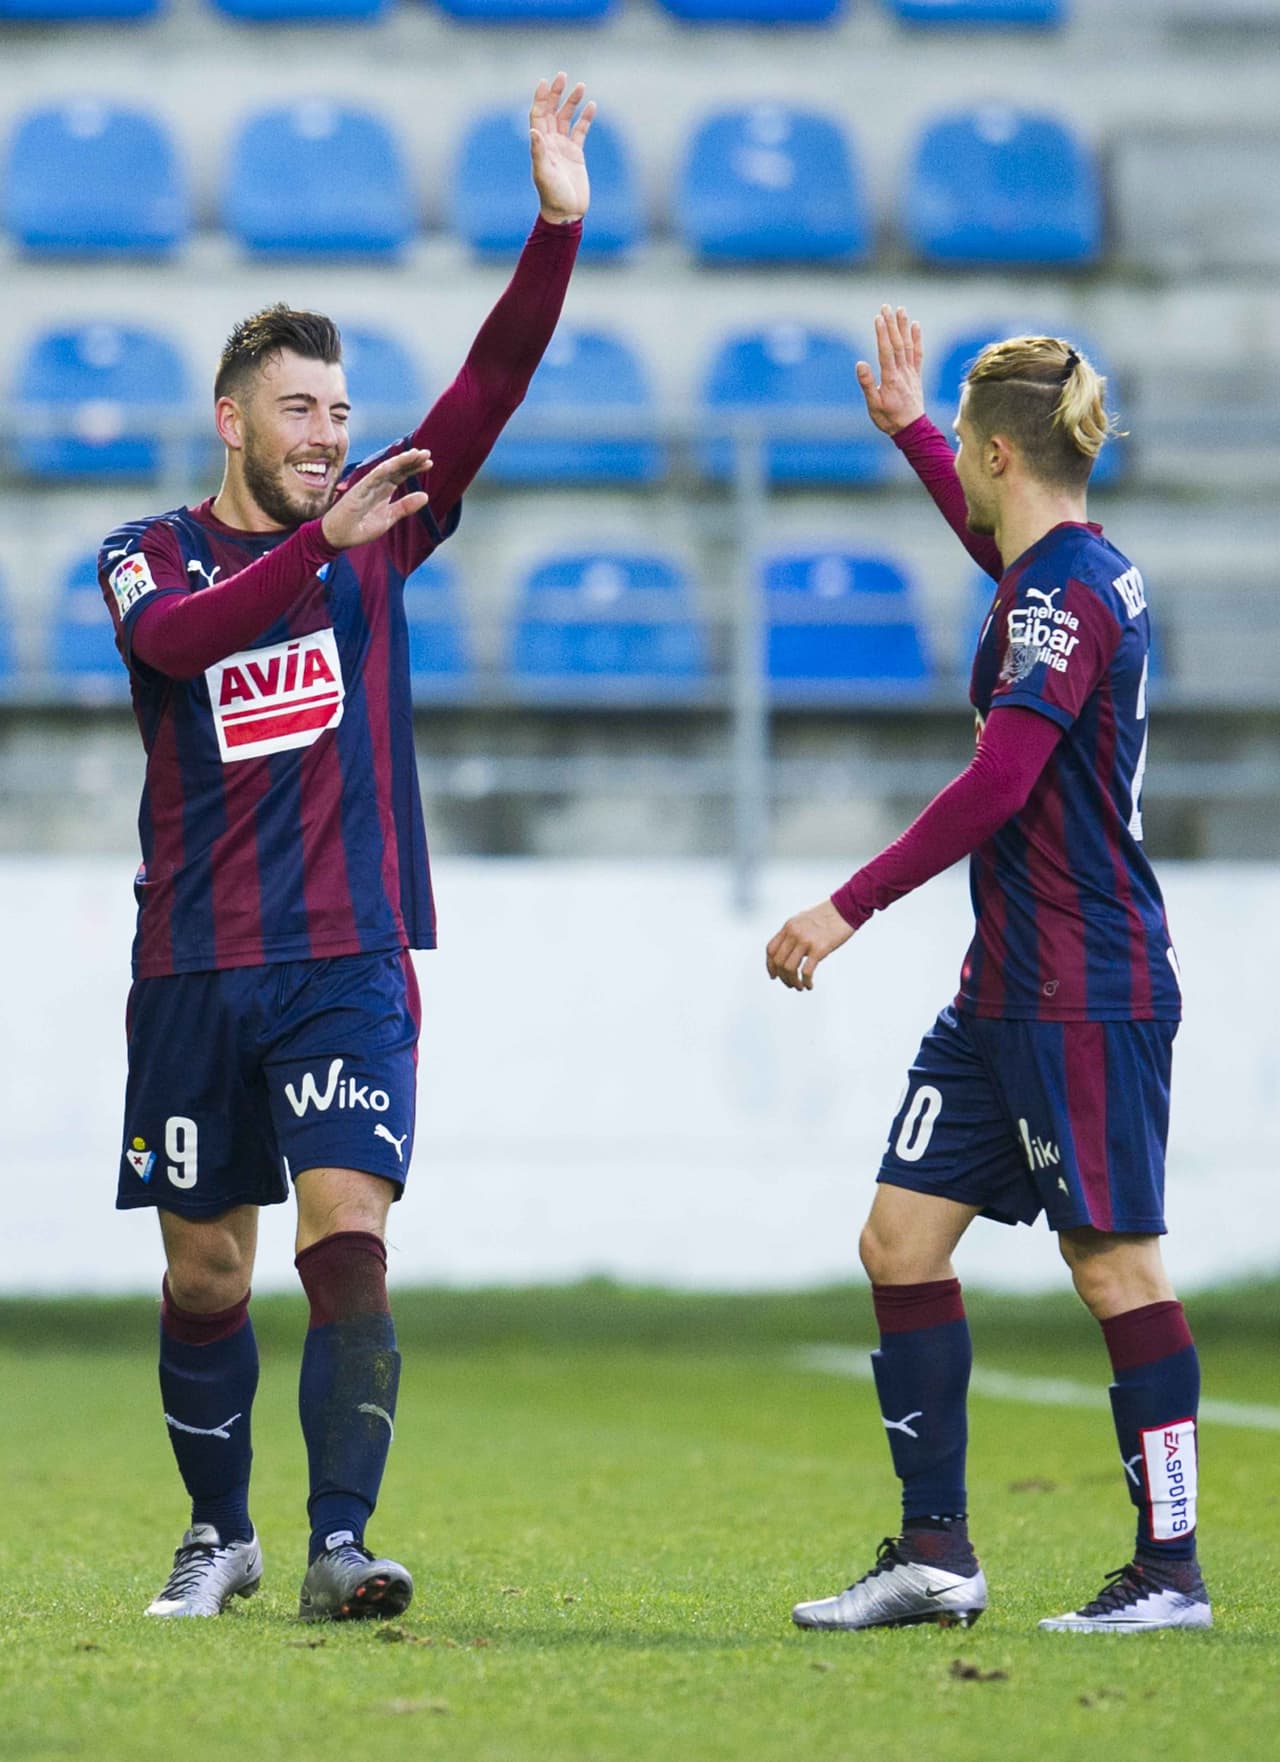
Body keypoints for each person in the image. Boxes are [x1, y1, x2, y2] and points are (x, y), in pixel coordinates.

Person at [97, 74, 595, 1621]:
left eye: (342, 413)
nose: (331, 438)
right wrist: (322, 544)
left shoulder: (386, 519)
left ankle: (336, 1541)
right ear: (235, 418)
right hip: (192, 961)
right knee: (207, 1276)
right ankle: (219, 1529)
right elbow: (181, 643)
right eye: (302, 412)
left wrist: (555, 228)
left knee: (346, 1228)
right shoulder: (144, 556)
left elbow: (492, 384)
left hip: (345, 952)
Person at [766, 307, 1207, 1635]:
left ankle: (1170, 1569)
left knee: (1116, 1265)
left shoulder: (1065, 591)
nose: (956, 465)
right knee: (898, 1240)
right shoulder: (1055, 572)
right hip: (1004, 985)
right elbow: (998, 555)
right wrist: (906, 425)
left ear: (1002, 453)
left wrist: (848, 904)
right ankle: (935, 1551)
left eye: (961, 444)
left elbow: (1001, 778)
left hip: (1088, 982)